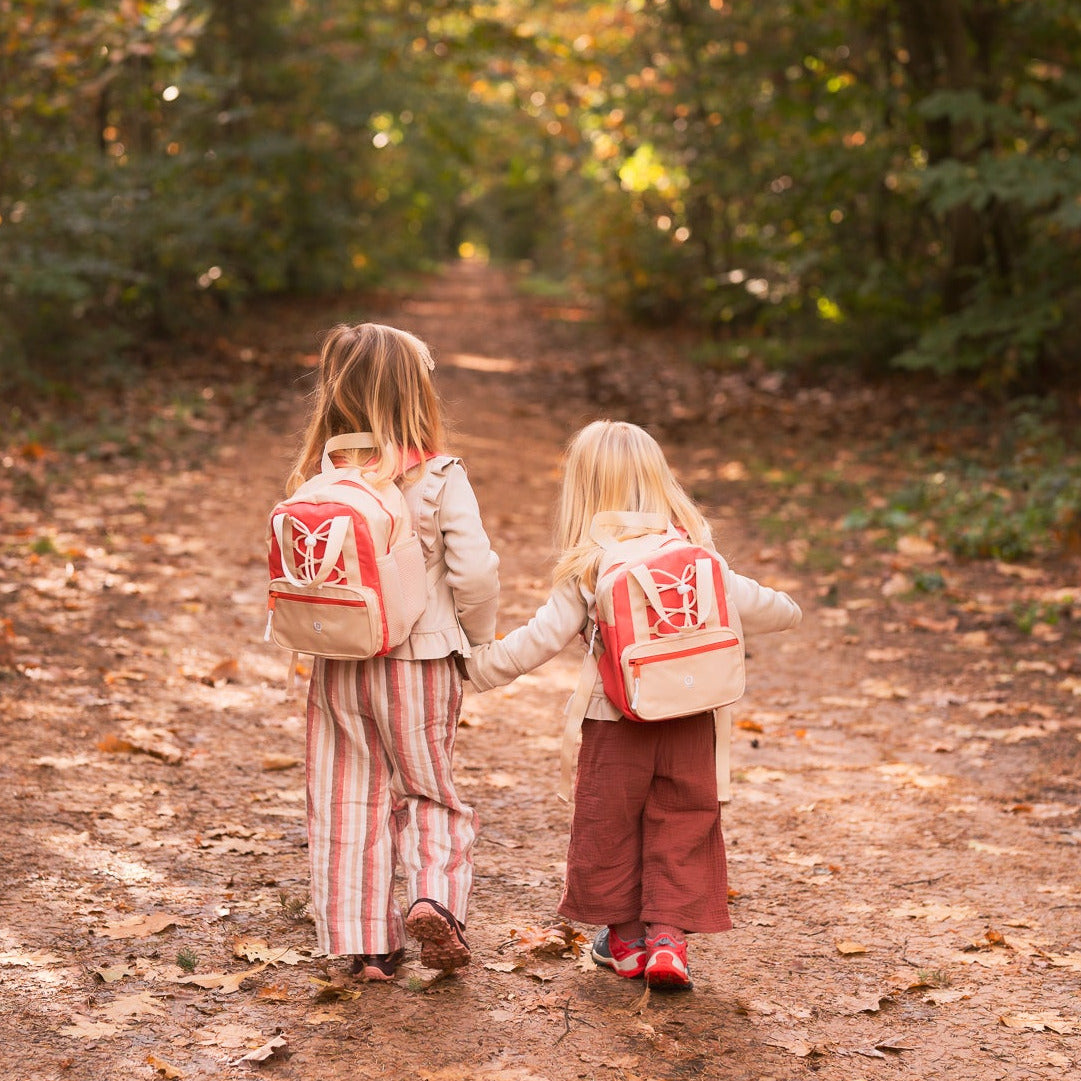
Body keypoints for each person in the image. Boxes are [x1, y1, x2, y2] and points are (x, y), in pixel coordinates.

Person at [466, 420, 801, 991]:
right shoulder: (696, 557)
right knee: (685, 818)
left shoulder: (592, 563)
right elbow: (774, 610)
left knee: (608, 821)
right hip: (693, 718)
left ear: (584, 492)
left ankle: (624, 941)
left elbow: (539, 639)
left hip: (614, 716)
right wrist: (783, 607)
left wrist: (474, 670)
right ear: (659, 480)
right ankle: (668, 940)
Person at [286, 322, 499, 981]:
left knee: (347, 792)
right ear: (417, 394)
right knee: (429, 790)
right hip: (421, 662)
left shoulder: (320, 477)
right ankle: (434, 898)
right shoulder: (438, 475)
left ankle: (364, 943)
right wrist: (481, 636)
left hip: (341, 663)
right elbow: (474, 572)